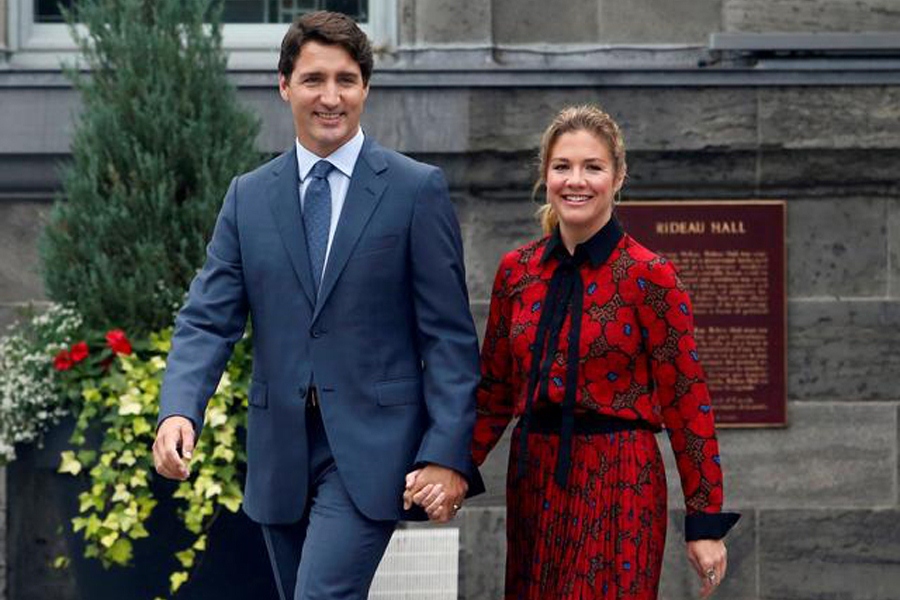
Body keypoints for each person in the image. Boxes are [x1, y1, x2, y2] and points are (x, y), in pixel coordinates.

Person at [151, 11, 483, 600]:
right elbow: (208, 317)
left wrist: (446, 454)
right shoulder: (248, 197)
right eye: (313, 79)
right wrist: (179, 409)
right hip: (280, 454)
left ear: (366, 88)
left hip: (370, 452)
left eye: (347, 80)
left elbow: (449, 340)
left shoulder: (414, 190)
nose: (331, 97)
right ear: (284, 86)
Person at [439, 105, 740, 599]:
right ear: (546, 175)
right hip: (534, 477)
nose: (576, 180)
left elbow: (688, 402)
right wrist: (449, 465)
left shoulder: (650, 275)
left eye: (592, 167)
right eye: (563, 167)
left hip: (622, 480)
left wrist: (704, 521)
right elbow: (493, 392)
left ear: (618, 177)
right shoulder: (517, 271)